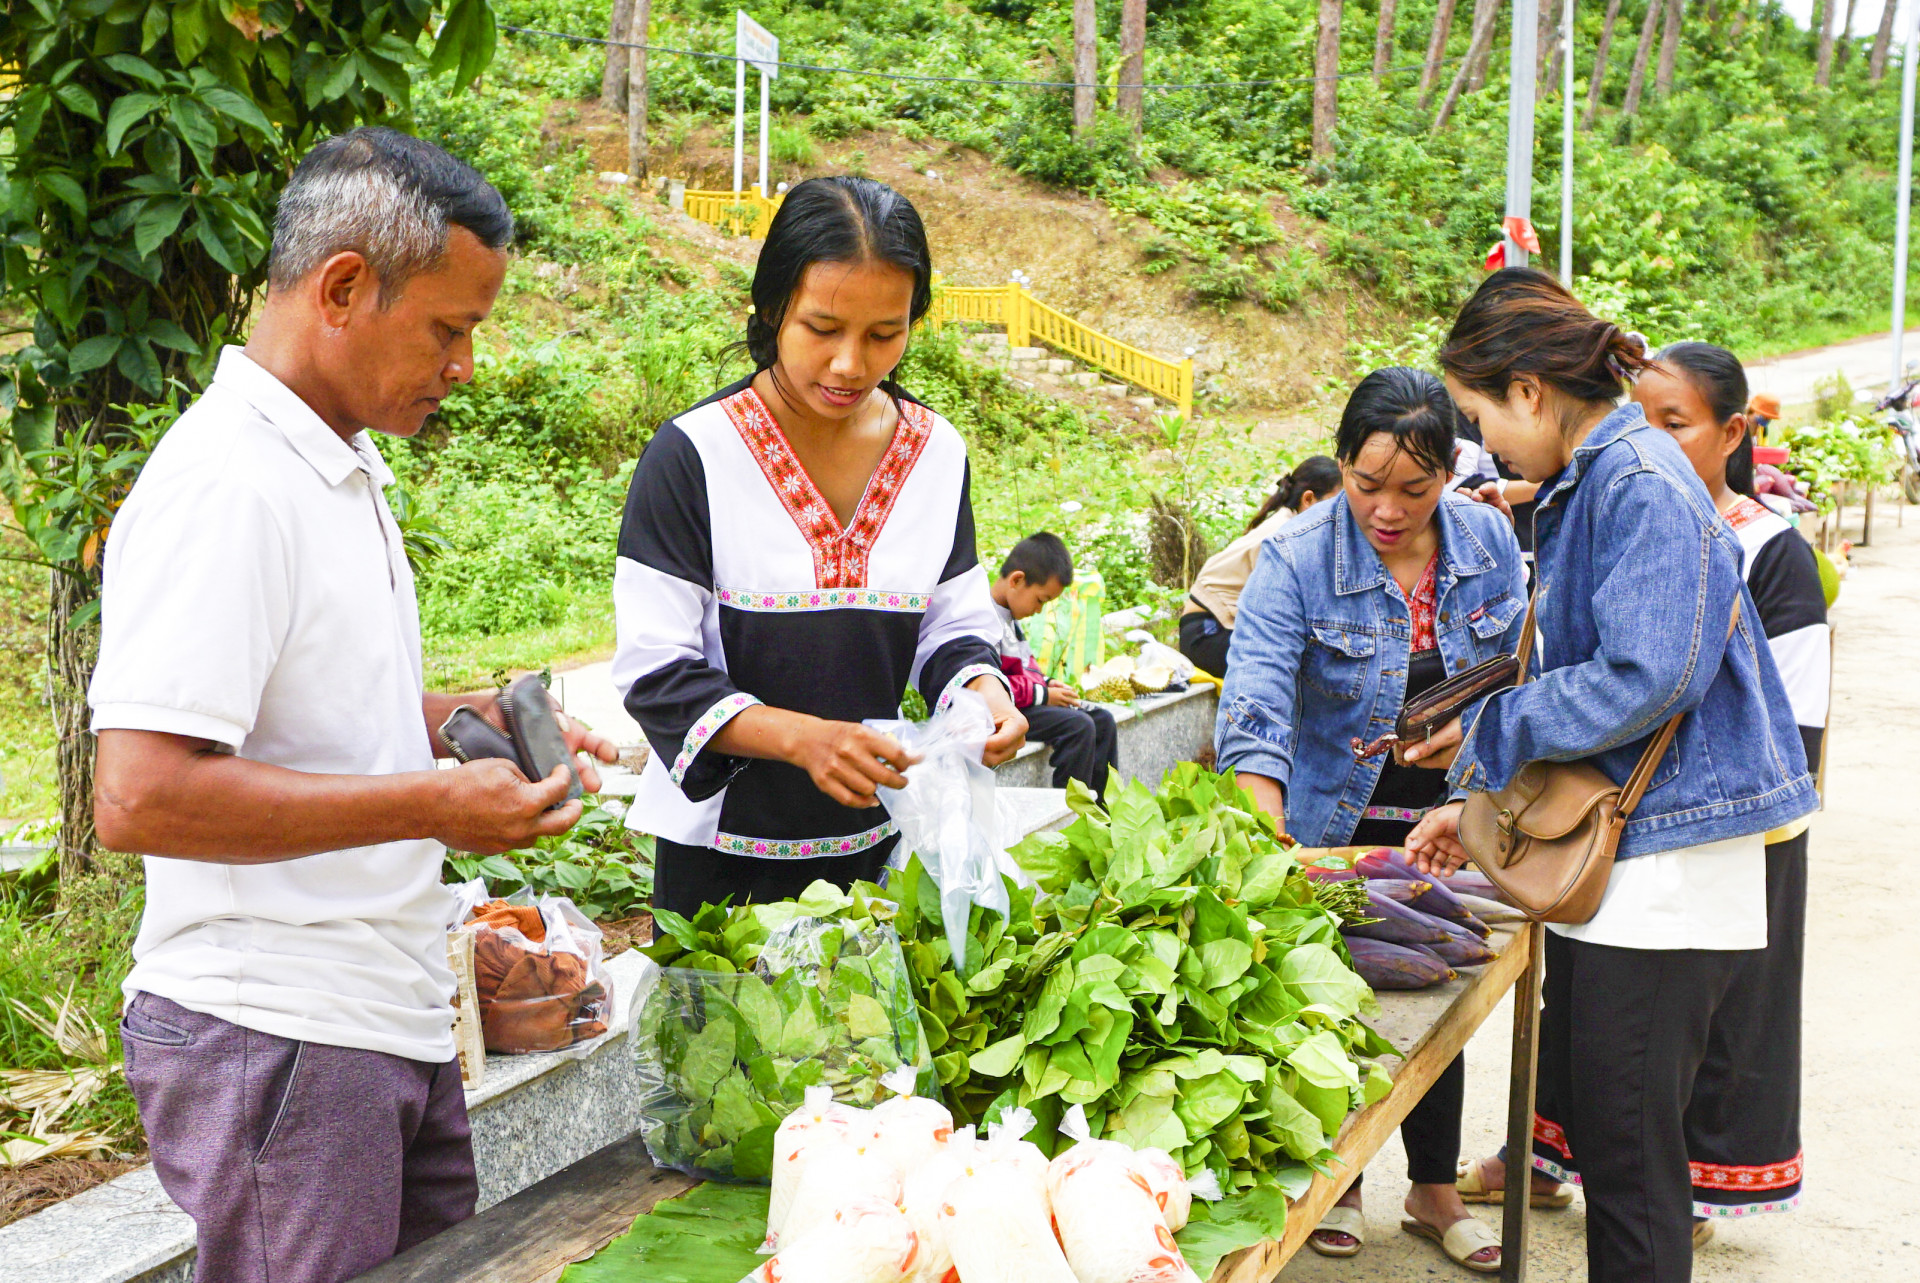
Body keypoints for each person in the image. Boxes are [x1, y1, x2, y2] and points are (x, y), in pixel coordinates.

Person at [88, 129, 619, 1283]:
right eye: (449, 327)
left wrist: (455, 723)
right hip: (277, 1032)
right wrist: (436, 801)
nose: (466, 365)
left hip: (379, 1015)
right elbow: (139, 791)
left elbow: (305, 702)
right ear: (341, 286)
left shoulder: (329, 461)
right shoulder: (229, 483)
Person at [1403, 269, 1817, 1283]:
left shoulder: (1633, 479)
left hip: (1664, 876)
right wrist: (1486, 789)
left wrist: (1494, 726)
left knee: (1632, 1175)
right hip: (1637, 866)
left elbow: (1647, 671)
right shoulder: (1601, 472)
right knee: (1620, 1159)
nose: (1486, 443)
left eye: (1481, 415)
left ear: (1532, 392)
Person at [614, 176, 1026, 918]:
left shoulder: (936, 453)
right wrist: (801, 739)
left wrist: (983, 694)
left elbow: (952, 625)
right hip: (720, 869)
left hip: (878, 851)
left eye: (883, 334)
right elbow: (656, 670)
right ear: (772, 308)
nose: (849, 365)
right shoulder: (695, 454)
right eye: (821, 327)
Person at [1216, 369, 1527, 1274]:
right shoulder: (1295, 555)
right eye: (1365, 483)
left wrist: (1478, 772)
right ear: (1341, 461)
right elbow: (1259, 700)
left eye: (1413, 489)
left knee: (1442, 992)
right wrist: (1266, 822)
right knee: (1337, 1001)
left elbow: (1513, 671)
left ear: (1449, 473)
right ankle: (1343, 1179)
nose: (1386, 509)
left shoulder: (1487, 540)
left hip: (1452, 816)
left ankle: (1433, 1188)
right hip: (1329, 819)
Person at [1634, 343, 1828, 1235]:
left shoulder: (1769, 549)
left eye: (1676, 425)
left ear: (1734, 432)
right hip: (1629, 812)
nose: (1655, 443)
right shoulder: (1628, 527)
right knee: (1610, 1006)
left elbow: (1798, 712)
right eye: (1640, 423)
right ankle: (1560, 1154)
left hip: (1737, 820)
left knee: (1716, 1007)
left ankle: (1695, 1181)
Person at [1178, 455, 1339, 678]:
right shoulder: (1286, 534)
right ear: (1308, 499)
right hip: (1207, 634)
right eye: (1337, 505)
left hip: (1219, 629)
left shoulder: (1291, 525)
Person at [990, 532, 1121, 799]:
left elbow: (1027, 666)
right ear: (1017, 580)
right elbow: (992, 683)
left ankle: (1105, 814)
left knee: (1103, 720)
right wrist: (1044, 695)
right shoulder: (984, 619)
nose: (1039, 611)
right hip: (1002, 711)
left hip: (1024, 702)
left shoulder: (1010, 619)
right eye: (1040, 600)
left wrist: (1047, 683)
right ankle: (1072, 815)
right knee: (1078, 726)